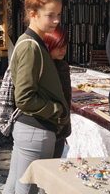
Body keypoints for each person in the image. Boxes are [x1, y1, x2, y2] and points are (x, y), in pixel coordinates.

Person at [3, 0, 69, 194]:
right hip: (36, 129)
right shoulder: (31, 46)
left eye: (58, 14)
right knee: (27, 190)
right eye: (51, 15)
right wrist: (58, 111)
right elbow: (24, 98)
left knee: (15, 187)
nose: (57, 20)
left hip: (31, 129)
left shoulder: (33, 42)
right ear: (33, 15)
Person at [43, 25, 71, 159]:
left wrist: (64, 129)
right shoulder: (39, 66)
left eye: (65, 45)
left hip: (59, 130)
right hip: (42, 128)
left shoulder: (63, 67)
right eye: (59, 45)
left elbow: (67, 100)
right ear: (49, 43)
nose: (64, 50)